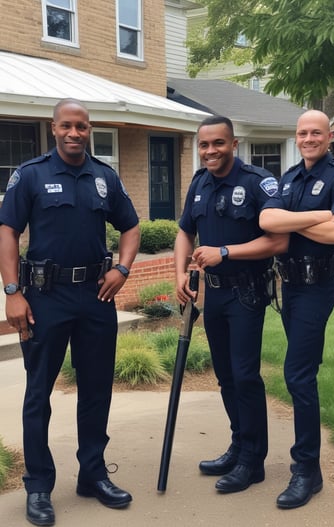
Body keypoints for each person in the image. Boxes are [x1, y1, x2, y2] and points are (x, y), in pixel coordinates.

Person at [0, 98, 140, 526]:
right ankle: (39, 485)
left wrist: (122, 268)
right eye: (67, 126)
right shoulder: (31, 175)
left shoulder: (104, 176)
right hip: (43, 298)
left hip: (96, 297)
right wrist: (12, 292)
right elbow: (7, 231)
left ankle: (93, 474)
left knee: (97, 389)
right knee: (38, 393)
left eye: (82, 126)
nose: (75, 133)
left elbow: (130, 226)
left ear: (89, 128)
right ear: (54, 127)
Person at [174, 115, 289, 494]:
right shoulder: (198, 183)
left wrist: (226, 251)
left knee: (244, 375)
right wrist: (179, 275)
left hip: (246, 292)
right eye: (204, 144)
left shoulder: (257, 182)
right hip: (215, 294)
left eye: (218, 143)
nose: (210, 151)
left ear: (233, 144)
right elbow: (184, 232)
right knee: (224, 375)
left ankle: (253, 461)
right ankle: (239, 445)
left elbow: (278, 242)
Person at [259, 109, 334, 509]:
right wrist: (317, 216)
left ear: (329, 136)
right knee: (305, 370)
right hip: (291, 287)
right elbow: (267, 220)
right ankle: (307, 465)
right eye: (303, 132)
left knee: (297, 375)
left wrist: (293, 221)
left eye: (316, 132)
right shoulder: (288, 177)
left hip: (317, 286)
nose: (309, 138)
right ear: (296, 137)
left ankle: (307, 470)